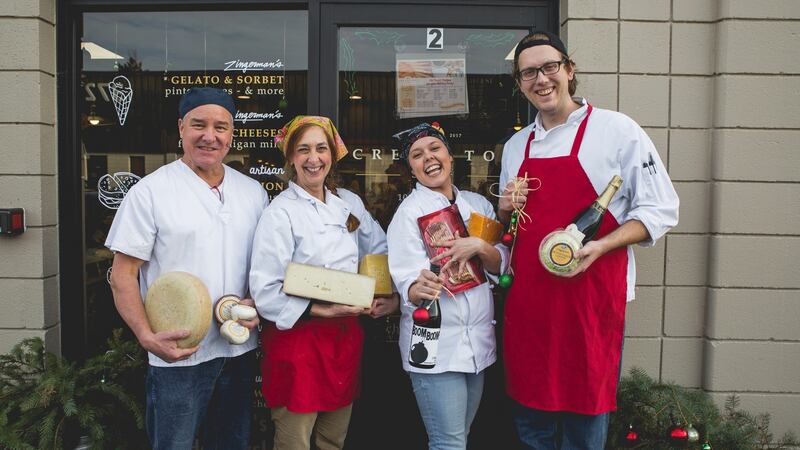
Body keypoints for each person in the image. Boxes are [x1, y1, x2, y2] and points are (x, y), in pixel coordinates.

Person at [497, 31, 680, 449]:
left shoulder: (617, 130)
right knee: (532, 425)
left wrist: (601, 245)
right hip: (529, 305)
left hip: (589, 301)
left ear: (569, 70)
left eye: (549, 67)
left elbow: (660, 209)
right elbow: (511, 230)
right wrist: (506, 208)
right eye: (529, 72)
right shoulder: (515, 145)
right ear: (520, 82)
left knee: (585, 424)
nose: (541, 79)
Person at [106, 87, 268, 449]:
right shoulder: (151, 192)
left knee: (232, 442)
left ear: (231, 134)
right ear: (181, 127)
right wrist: (147, 337)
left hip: (238, 348)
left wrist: (257, 301)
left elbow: (264, 266)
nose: (210, 136)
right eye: (199, 124)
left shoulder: (252, 192)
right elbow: (122, 275)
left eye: (221, 127)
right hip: (178, 354)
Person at [249, 115, 398, 450]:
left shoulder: (349, 203)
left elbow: (379, 250)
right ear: (290, 158)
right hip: (297, 342)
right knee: (294, 441)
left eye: (320, 148)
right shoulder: (280, 212)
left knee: (334, 439)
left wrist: (386, 296)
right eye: (303, 150)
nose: (312, 158)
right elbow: (265, 292)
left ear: (333, 154)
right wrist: (322, 310)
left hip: (344, 340)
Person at [387, 122, 508, 450]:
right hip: (435, 347)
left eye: (434, 148)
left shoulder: (478, 206)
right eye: (417, 154)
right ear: (411, 167)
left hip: (477, 345)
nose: (428, 157)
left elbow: (501, 265)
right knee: (449, 443)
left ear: (450, 156)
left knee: (459, 440)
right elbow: (407, 285)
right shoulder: (408, 214)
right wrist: (419, 286)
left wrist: (480, 248)